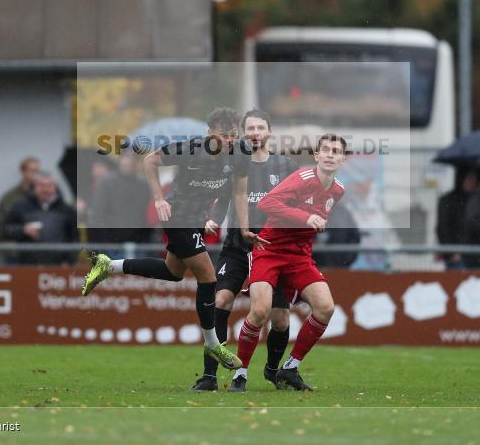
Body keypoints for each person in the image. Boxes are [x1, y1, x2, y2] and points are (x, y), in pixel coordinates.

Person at [82, 108, 259, 373]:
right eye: (224, 135)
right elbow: (150, 161)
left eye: (234, 134)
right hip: (176, 216)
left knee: (173, 271)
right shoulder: (191, 149)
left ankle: (110, 266)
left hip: (196, 219)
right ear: (210, 133)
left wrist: (239, 226)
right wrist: (158, 198)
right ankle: (213, 343)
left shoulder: (240, 154)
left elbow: (238, 192)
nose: (230, 140)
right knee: (209, 277)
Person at [192, 109, 300, 393]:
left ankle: (274, 372)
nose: (254, 133)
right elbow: (218, 196)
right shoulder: (232, 164)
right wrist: (210, 216)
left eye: (260, 128)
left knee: (279, 318)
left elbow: (299, 202)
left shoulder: (286, 165)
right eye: (249, 128)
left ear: (270, 131)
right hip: (238, 247)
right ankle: (209, 376)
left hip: (273, 249)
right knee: (221, 301)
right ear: (242, 133)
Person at [234, 133, 347, 392]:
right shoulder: (302, 178)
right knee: (261, 311)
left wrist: (313, 223)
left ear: (343, 159)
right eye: (325, 150)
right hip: (270, 249)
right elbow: (267, 202)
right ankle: (240, 372)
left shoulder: (338, 190)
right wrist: (305, 217)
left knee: (326, 308)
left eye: (336, 151)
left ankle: (290, 367)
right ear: (317, 156)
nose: (330, 154)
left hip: (299, 257)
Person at [3, 172, 78, 265]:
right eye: (42, 185)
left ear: (55, 187)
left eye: (50, 185)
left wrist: (70, 261)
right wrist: (23, 230)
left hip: (58, 266)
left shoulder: (66, 209)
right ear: (34, 187)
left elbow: (75, 238)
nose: (46, 189)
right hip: (28, 265)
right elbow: (7, 229)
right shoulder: (21, 206)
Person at [88, 151, 152, 254]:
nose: (129, 162)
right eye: (126, 158)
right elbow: (98, 214)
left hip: (138, 243)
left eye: (132, 159)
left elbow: (146, 213)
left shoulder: (144, 184)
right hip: (112, 244)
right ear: (120, 160)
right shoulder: (106, 183)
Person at [435, 168, 480, 269]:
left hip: (473, 254)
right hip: (457, 255)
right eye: (468, 179)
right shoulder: (448, 200)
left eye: (473, 179)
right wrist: (452, 253)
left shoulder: (475, 199)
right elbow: (442, 228)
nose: (471, 182)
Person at [0, 156, 40, 241]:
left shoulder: (44, 196)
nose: (35, 175)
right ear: (23, 171)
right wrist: (13, 252)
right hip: (18, 248)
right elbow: (4, 227)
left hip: (41, 248)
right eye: (32, 171)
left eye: (38, 171)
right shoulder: (10, 198)